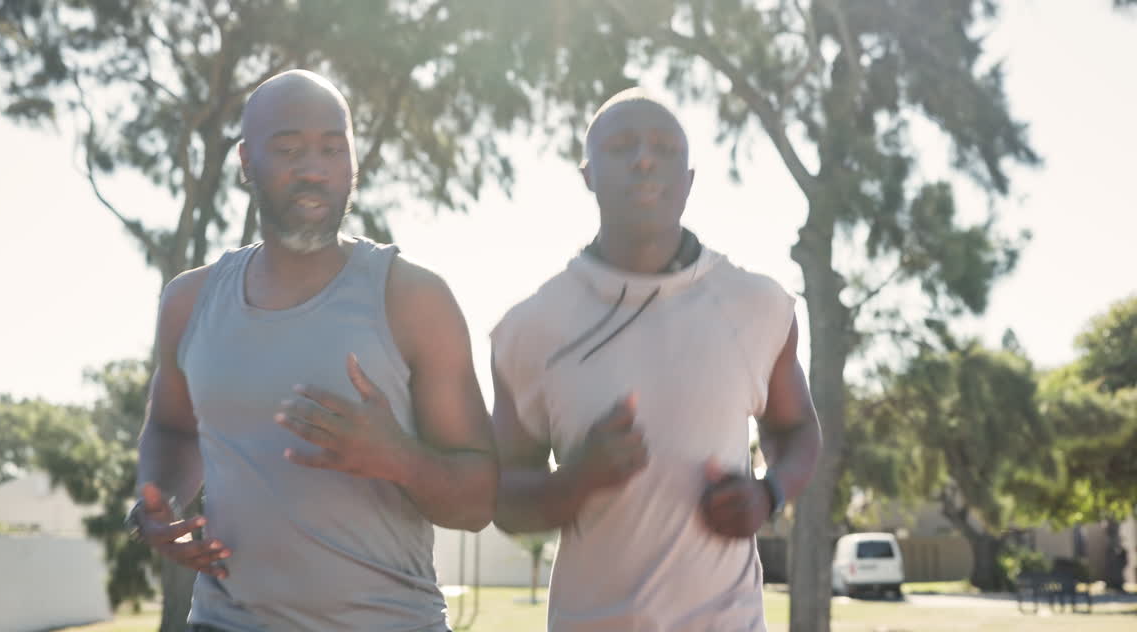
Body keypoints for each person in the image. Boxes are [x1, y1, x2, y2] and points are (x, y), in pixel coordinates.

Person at [126, 69, 498, 631]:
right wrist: (158, 504)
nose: (313, 169)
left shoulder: (414, 299)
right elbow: (173, 430)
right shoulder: (189, 302)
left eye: (331, 147)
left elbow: (477, 503)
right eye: (288, 148)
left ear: (354, 161)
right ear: (247, 163)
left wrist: (399, 456)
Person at [489, 88, 823, 631]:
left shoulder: (758, 305)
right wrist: (574, 482)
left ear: (689, 182)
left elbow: (797, 428)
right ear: (588, 175)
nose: (644, 158)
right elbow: (503, 498)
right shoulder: (529, 328)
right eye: (621, 146)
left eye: (665, 148)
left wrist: (768, 492)